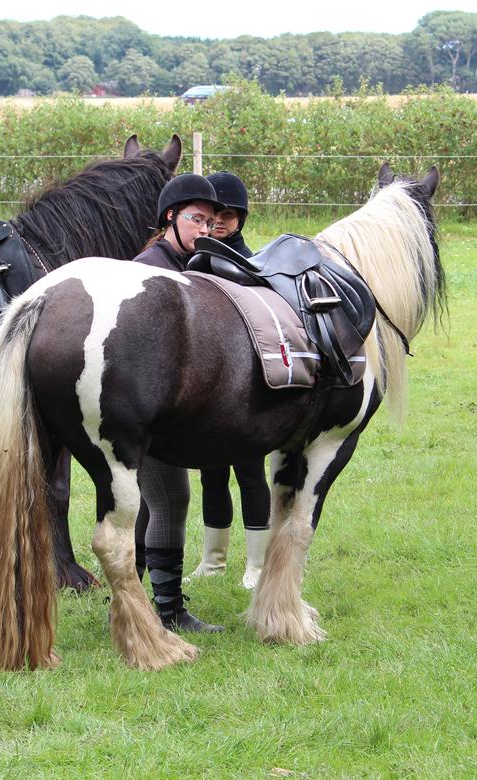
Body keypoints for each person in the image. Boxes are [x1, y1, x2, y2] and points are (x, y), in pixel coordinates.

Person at [131, 173, 225, 632]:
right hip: (150, 408)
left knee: (149, 503)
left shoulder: (186, 264)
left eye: (210, 222)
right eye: (196, 219)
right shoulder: (152, 268)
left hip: (155, 405)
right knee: (170, 498)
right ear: (170, 217)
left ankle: (132, 597)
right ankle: (168, 612)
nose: (204, 229)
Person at [188, 171, 272, 589]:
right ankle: (213, 561)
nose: (218, 220)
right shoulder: (198, 259)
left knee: (251, 473)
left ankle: (256, 567)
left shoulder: (249, 265)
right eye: (212, 214)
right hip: (209, 384)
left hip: (246, 384)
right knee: (211, 473)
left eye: (228, 213)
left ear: (241, 217)